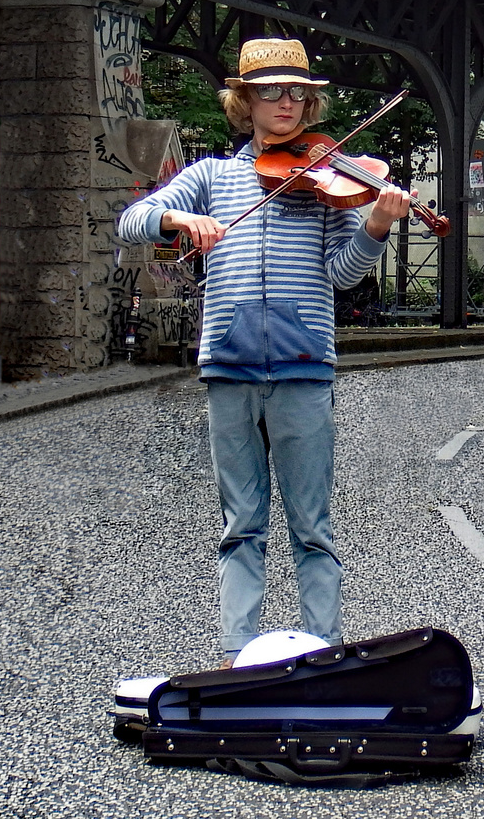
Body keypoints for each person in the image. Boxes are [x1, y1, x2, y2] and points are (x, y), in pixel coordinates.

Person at [117, 36, 411, 666]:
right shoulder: (213, 177)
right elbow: (131, 220)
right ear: (243, 101)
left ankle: (324, 650)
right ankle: (236, 651)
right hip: (229, 364)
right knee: (240, 522)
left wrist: (378, 227)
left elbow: (342, 275)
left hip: (305, 366)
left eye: (300, 93)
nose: (289, 103)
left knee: (313, 525)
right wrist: (178, 222)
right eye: (272, 91)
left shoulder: (328, 178)